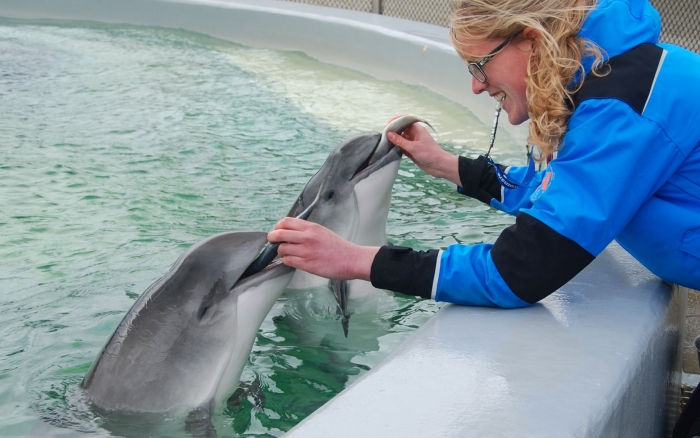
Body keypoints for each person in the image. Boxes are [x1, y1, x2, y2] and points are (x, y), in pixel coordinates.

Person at [267, 0, 700, 308]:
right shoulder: (615, 79)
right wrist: (446, 164)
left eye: (480, 66)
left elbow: (518, 273)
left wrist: (355, 259)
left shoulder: (624, 110)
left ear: (530, 41)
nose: (476, 85)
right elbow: (562, 191)